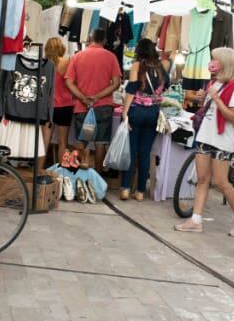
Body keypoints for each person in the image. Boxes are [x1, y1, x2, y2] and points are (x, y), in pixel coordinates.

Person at [174, 47, 234, 236]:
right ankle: (196, 220)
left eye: (215, 59)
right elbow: (211, 109)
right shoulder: (215, 83)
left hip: (222, 140)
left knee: (221, 182)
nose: (211, 63)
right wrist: (205, 98)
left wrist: (216, 99)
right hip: (206, 136)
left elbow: (233, 116)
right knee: (203, 179)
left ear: (225, 63)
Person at [64, 28, 121, 172]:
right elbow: (116, 83)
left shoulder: (78, 56)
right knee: (100, 143)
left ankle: (75, 174)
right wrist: (97, 97)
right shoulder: (111, 57)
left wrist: (83, 98)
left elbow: (69, 82)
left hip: (82, 107)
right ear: (105, 41)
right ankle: (97, 179)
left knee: (81, 142)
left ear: (90, 38)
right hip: (102, 107)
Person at [119, 38, 169, 201]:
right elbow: (166, 85)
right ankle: (140, 191)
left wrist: (124, 112)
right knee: (145, 153)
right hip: (153, 112)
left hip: (137, 111)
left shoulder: (137, 66)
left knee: (132, 151)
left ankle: (126, 188)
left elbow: (132, 90)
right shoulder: (162, 67)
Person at [45, 37, 75, 157]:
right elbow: (73, 82)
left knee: (45, 141)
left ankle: (39, 168)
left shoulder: (44, 64)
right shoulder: (67, 62)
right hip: (65, 106)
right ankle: (60, 171)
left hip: (49, 106)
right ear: (61, 48)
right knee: (63, 142)